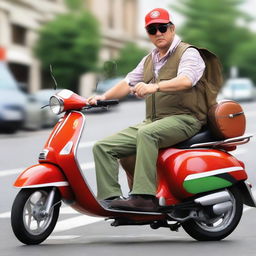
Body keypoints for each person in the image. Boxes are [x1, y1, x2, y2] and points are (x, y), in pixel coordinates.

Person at [87, 8, 222, 212]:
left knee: (146, 134)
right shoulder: (150, 59)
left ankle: (144, 197)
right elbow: (127, 82)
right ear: (148, 33)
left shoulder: (189, 53)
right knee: (103, 146)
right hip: (155, 121)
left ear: (172, 28)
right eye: (152, 29)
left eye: (162, 28)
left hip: (186, 119)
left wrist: (156, 86)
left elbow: (186, 80)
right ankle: (111, 200)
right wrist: (102, 98)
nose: (158, 33)